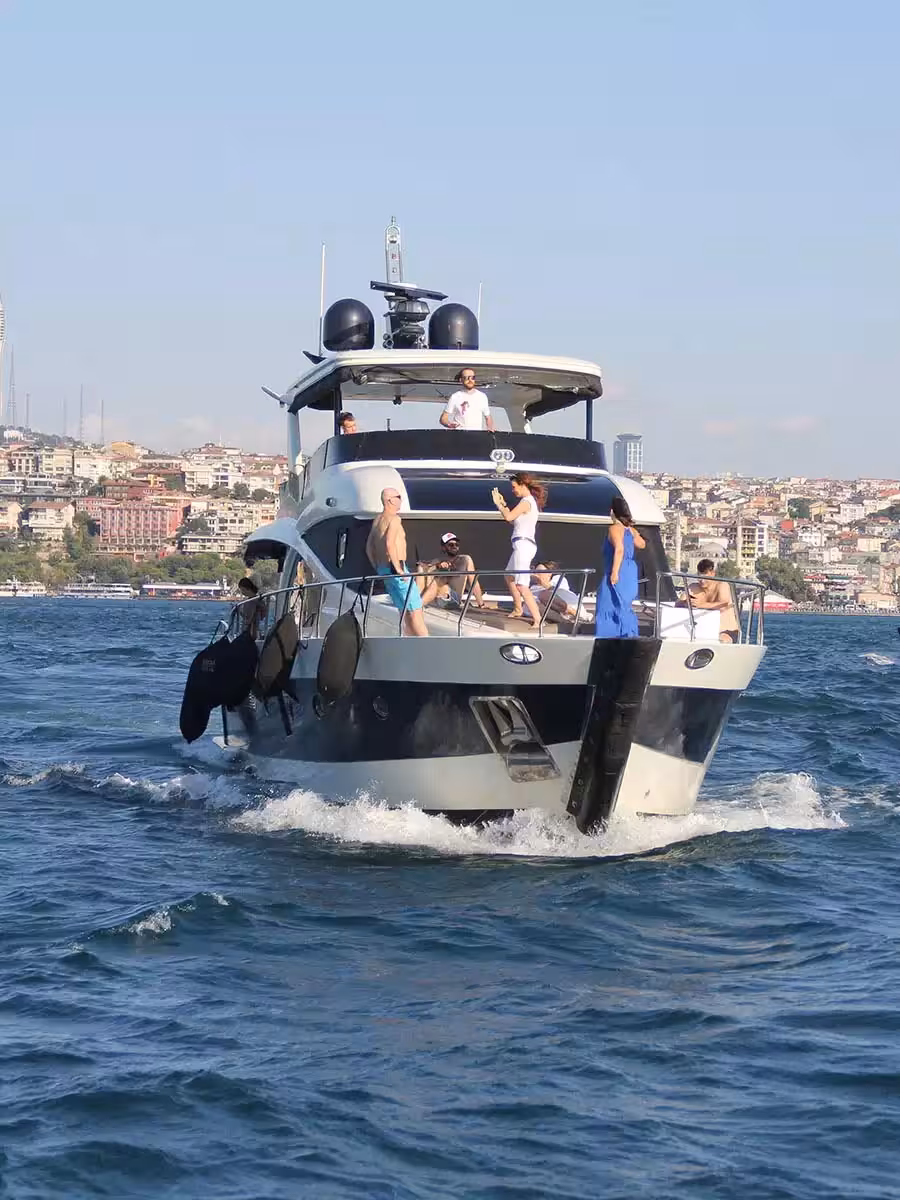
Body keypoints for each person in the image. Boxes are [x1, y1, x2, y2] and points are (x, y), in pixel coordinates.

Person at [365, 487, 428, 636]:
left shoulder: (377, 520)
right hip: (396, 567)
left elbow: (368, 548)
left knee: (404, 610)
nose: (401, 499)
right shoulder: (394, 519)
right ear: (390, 500)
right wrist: (398, 569)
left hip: (384, 569)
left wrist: (378, 567)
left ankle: (411, 643)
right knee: (415, 610)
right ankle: (427, 644)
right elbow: (389, 543)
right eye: (398, 496)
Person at [492, 472, 546, 626]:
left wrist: (499, 505)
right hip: (520, 544)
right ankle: (518, 608)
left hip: (523, 546)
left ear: (523, 485)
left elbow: (508, 517)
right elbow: (514, 521)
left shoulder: (526, 502)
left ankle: (538, 620)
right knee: (509, 576)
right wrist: (503, 506)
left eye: (514, 487)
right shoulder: (527, 502)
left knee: (522, 585)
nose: (513, 490)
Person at [594, 497, 646, 638]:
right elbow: (642, 544)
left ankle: (609, 637)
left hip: (618, 568)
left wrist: (615, 572)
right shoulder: (629, 530)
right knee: (624, 605)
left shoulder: (614, 528)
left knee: (607, 603)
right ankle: (628, 635)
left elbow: (619, 549)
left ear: (612, 512)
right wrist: (632, 531)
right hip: (630, 569)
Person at [685, 559, 741, 643]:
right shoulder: (694, 587)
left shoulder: (722, 585)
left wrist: (701, 605)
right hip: (704, 633)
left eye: (705, 576)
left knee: (723, 640)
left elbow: (724, 604)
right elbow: (678, 603)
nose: (702, 580)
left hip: (727, 631)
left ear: (713, 574)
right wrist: (686, 603)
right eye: (700, 576)